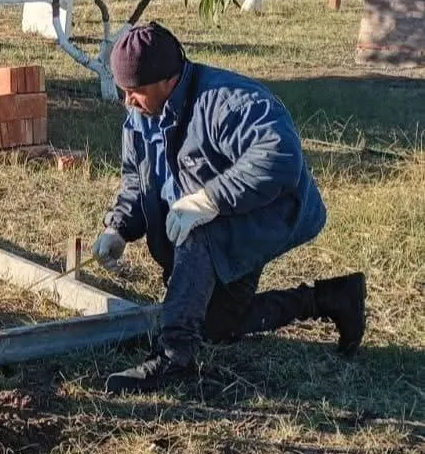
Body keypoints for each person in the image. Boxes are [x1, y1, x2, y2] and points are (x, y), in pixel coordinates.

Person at [92, 22, 366, 394]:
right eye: (124, 90)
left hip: (271, 209)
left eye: (134, 91)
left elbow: (280, 156)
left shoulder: (227, 100)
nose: (128, 101)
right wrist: (119, 229)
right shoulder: (141, 116)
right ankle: (330, 299)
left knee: (199, 233)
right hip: (223, 215)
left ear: (168, 81)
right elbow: (137, 179)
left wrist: (210, 199)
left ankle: (173, 356)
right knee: (217, 324)